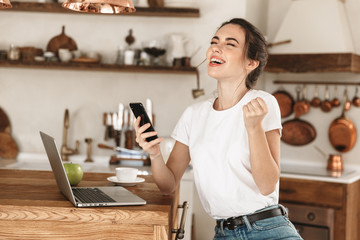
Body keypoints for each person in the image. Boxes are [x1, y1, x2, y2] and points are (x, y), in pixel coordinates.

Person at [134, 18, 303, 240]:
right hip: (223, 233)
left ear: (250, 63)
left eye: (230, 44)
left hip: (267, 230)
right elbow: (169, 185)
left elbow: (267, 184)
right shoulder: (194, 114)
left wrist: (254, 128)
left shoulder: (262, 103)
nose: (216, 47)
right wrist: (155, 154)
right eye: (215, 41)